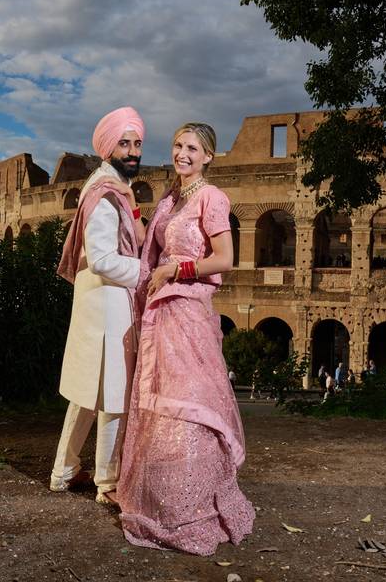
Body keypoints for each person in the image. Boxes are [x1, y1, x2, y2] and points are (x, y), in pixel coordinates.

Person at [117, 122, 254, 555]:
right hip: (161, 311)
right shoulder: (171, 200)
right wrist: (127, 204)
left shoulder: (212, 197)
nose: (183, 154)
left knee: (190, 400)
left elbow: (226, 259)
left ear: (208, 157)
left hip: (189, 308)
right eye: (178, 145)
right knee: (161, 402)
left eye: (193, 148)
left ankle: (192, 505)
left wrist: (177, 269)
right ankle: (161, 502)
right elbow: (149, 250)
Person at [50, 106, 147, 505]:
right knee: (113, 398)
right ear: (108, 147)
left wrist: (134, 204)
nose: (132, 151)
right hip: (108, 306)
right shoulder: (105, 196)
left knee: (87, 395)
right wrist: (147, 271)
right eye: (124, 143)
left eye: (137, 143)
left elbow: (132, 232)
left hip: (99, 304)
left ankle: (64, 471)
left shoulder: (112, 188)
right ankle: (106, 483)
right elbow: (105, 258)